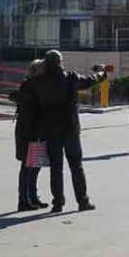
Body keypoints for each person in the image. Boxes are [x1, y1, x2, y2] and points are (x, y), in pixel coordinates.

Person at [31, 50, 107, 212]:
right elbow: (91, 80)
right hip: (70, 127)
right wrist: (102, 72)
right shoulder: (71, 78)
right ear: (60, 62)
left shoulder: (39, 81)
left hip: (51, 129)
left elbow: (26, 95)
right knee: (76, 166)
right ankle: (82, 201)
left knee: (56, 168)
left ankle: (58, 203)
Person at [11, 59, 47, 212]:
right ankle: (23, 200)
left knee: (35, 165)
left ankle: (32, 197)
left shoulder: (37, 86)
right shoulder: (30, 86)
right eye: (43, 69)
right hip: (29, 132)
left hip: (35, 130)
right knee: (28, 166)